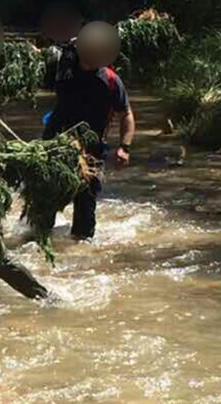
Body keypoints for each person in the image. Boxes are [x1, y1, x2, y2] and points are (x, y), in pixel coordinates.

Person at [42, 20, 137, 240]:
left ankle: (80, 246)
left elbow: (126, 114)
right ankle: (38, 240)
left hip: (91, 152)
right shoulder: (62, 66)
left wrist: (124, 147)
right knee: (45, 202)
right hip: (54, 144)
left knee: (85, 210)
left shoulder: (111, 81)